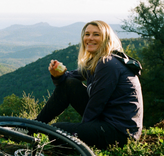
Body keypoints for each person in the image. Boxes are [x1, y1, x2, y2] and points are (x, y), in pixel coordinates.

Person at [35, 20, 143, 149]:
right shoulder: (96, 62)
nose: (90, 38)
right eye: (87, 34)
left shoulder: (108, 64)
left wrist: (83, 132)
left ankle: (34, 129)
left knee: (55, 131)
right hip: (106, 123)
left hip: (120, 133)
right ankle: (33, 126)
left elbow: (97, 103)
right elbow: (67, 81)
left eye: (96, 34)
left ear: (106, 39)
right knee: (70, 84)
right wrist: (57, 75)